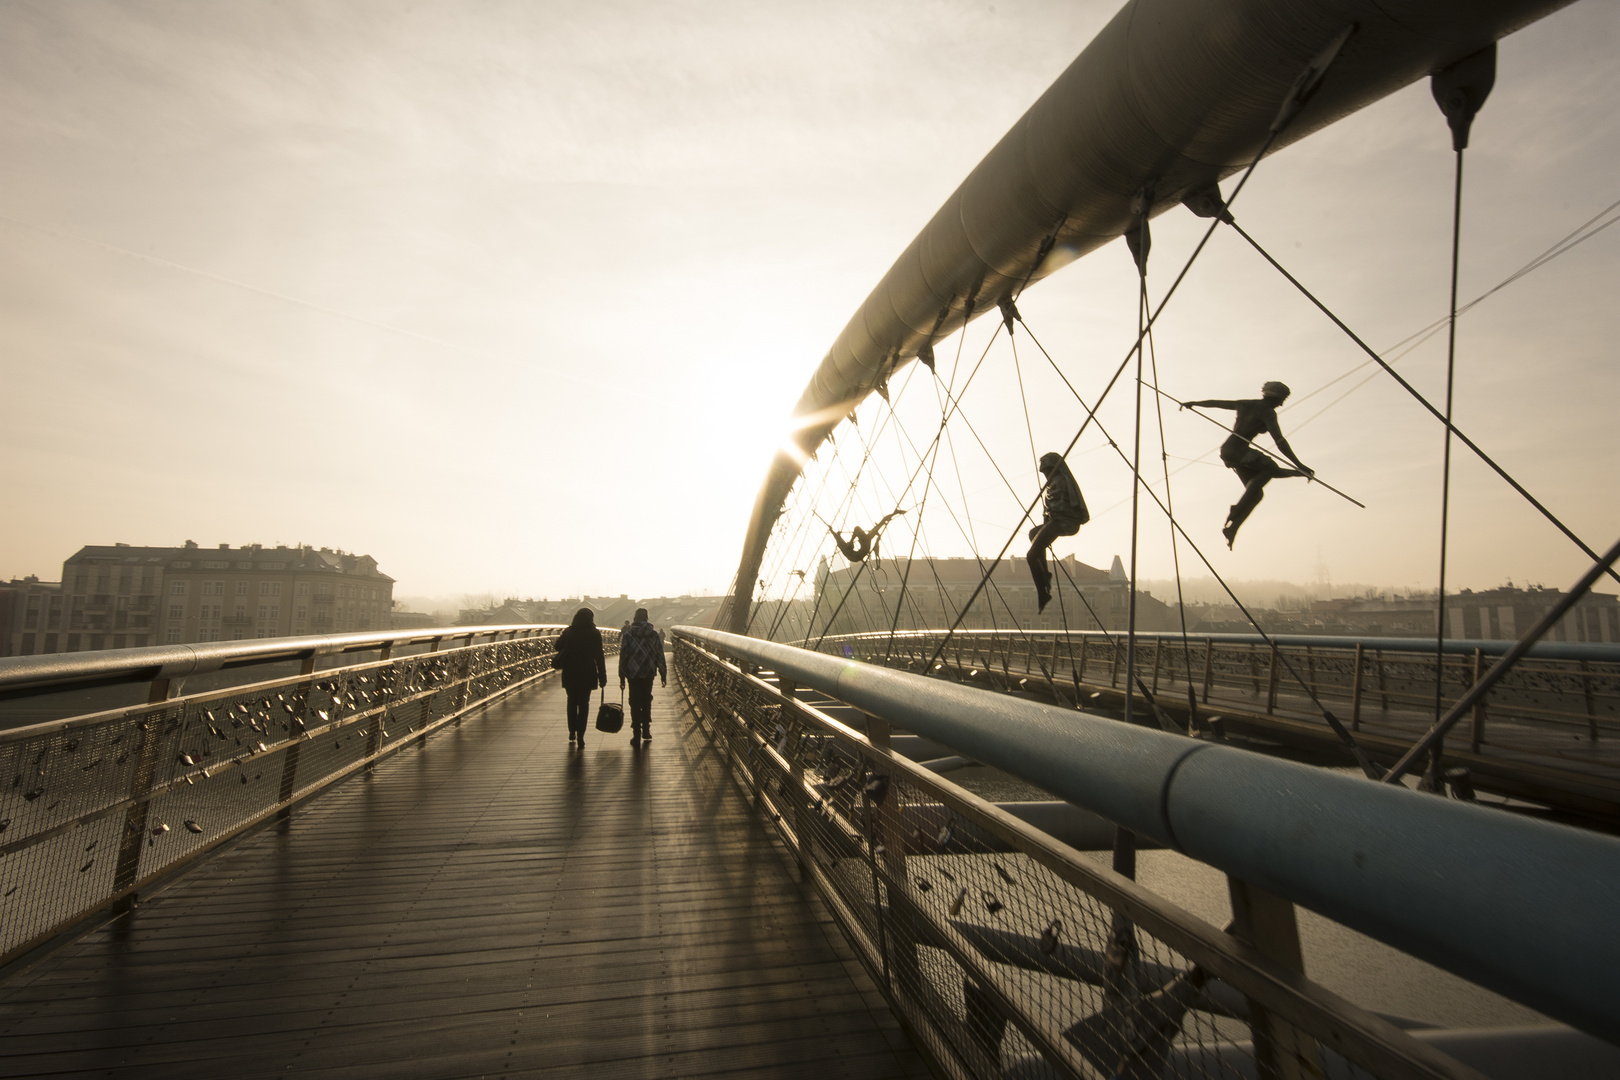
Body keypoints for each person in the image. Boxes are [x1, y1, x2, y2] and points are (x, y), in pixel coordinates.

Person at [1181, 381, 1314, 549]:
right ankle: (1237, 510)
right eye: (1282, 400)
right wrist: (1299, 465)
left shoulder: (1245, 404)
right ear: (1276, 397)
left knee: (1257, 493)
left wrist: (1194, 403)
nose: (1282, 404)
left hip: (1228, 451)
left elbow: (1216, 403)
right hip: (1238, 451)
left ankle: (1233, 528)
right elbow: (1280, 442)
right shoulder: (1268, 412)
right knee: (1270, 469)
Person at [1026, 451, 1089, 612]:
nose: (1045, 475)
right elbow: (1051, 509)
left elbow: (1059, 507)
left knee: (1031, 555)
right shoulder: (1052, 484)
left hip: (1065, 522)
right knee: (1033, 533)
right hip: (1057, 521)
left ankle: (1043, 593)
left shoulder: (1061, 482)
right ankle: (1045, 574)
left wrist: (1050, 514)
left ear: (1053, 468)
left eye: (1046, 471)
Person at [554, 607, 606, 748]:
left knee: (571, 702)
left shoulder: (569, 631)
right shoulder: (594, 633)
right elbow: (599, 657)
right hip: (587, 672)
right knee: (584, 705)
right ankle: (581, 736)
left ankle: (572, 731)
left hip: (570, 672)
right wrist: (602, 676)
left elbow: (556, 646)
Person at [618, 607, 667, 746]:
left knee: (634, 702)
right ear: (646, 618)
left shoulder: (628, 635)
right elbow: (659, 655)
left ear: (635, 618)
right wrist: (663, 673)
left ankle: (636, 734)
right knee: (646, 699)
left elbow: (624, 657)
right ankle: (646, 729)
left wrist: (622, 676)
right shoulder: (654, 635)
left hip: (633, 673)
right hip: (648, 672)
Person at [831, 509, 905, 563]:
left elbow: (838, 539)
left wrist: (836, 533)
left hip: (864, 547)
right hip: (863, 548)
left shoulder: (847, 549)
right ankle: (894, 513)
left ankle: (894, 513)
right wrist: (834, 533)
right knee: (857, 528)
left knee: (880, 524)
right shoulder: (848, 551)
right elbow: (839, 540)